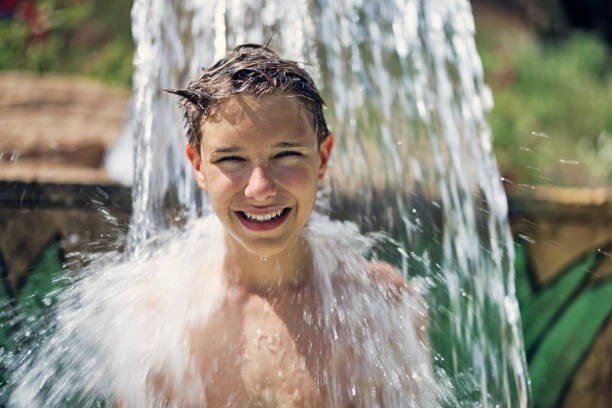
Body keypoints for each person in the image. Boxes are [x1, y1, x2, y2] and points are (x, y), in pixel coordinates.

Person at [159, 43, 434, 407]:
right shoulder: (163, 315)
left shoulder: (379, 303)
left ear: (322, 158)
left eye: (286, 154)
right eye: (231, 159)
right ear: (197, 166)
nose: (260, 189)